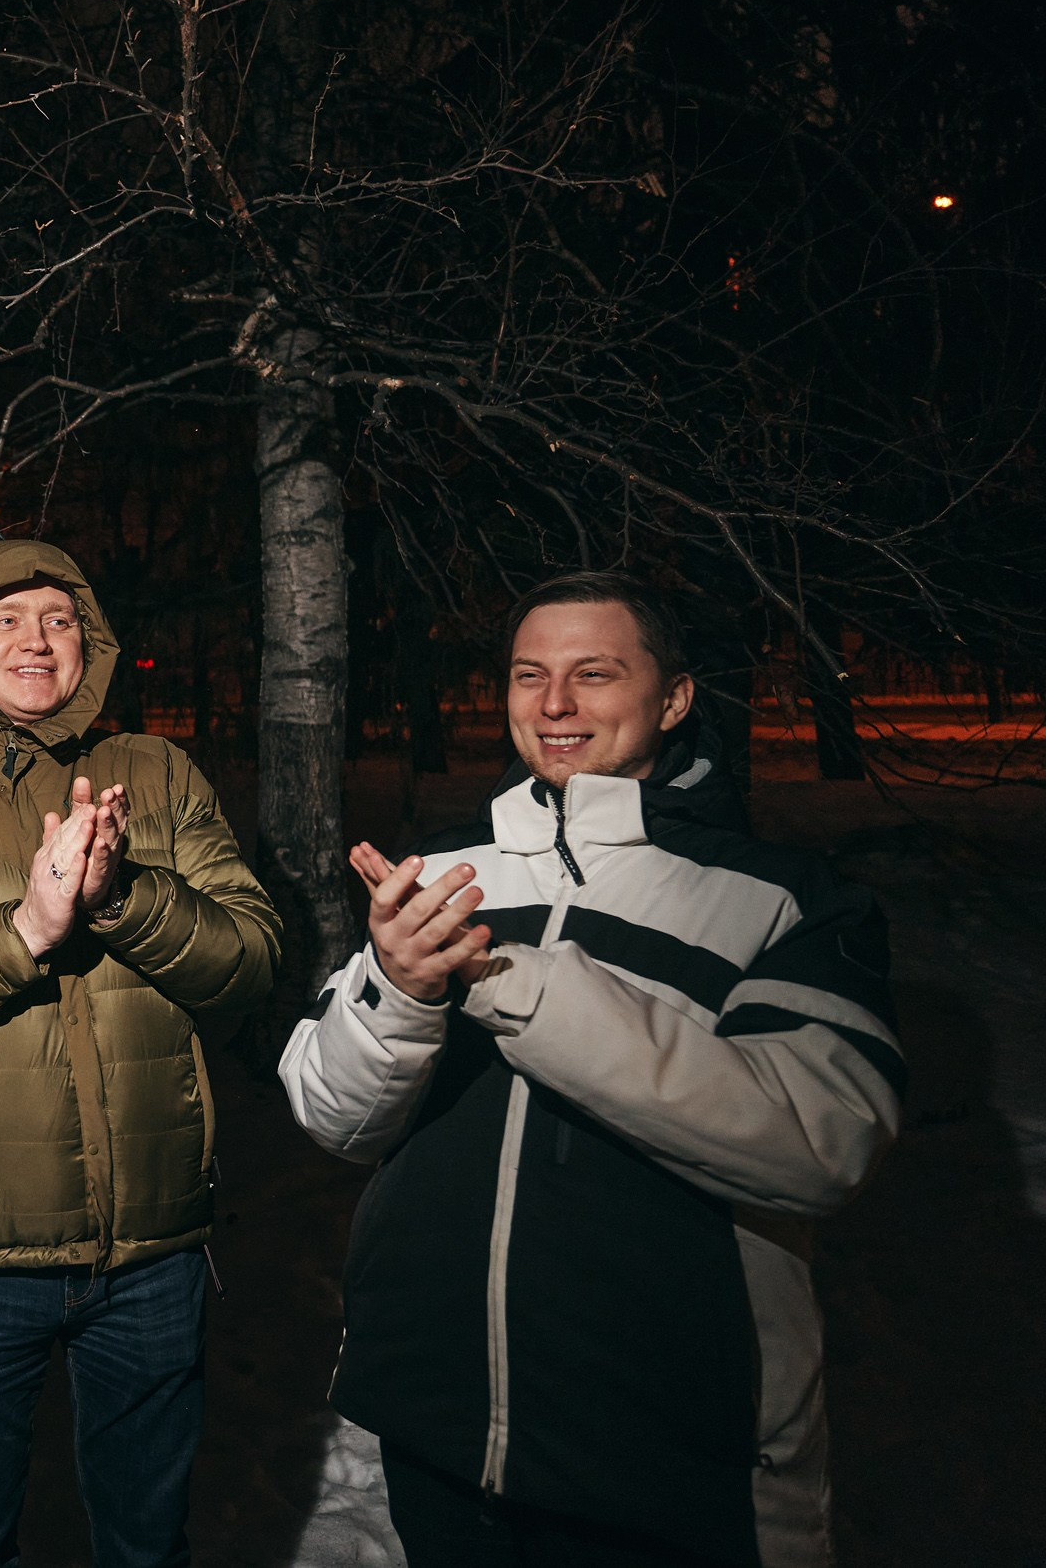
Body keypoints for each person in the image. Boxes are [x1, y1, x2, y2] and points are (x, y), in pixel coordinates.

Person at [279, 571, 903, 1568]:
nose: (554, 705)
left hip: (661, 1453)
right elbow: (330, 1115)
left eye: (594, 674)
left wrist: (506, 982)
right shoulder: (441, 869)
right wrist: (399, 990)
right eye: (529, 675)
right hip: (433, 1427)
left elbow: (823, 1142)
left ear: (674, 697)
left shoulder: (782, 899)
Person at [0, 538, 283, 1568]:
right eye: (6, 620)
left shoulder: (158, 773)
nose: (37, 640)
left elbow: (248, 963)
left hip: (155, 1255)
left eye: (60, 619)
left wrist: (122, 897)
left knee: (143, 1542)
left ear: (94, 642)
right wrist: (27, 928)